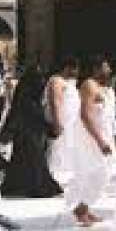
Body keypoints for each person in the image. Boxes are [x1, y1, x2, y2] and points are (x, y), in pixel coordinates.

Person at [66, 56, 116, 226]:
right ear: (96, 68)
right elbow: (85, 115)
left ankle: (84, 208)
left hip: (102, 133)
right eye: (106, 67)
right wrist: (100, 141)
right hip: (90, 137)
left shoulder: (101, 86)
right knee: (95, 173)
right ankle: (80, 210)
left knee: (102, 173)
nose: (109, 70)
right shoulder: (89, 85)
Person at [0, 65, 62, 198]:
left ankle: (23, 185)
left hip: (26, 134)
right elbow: (36, 116)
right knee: (34, 160)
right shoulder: (30, 99)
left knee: (25, 159)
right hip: (31, 134)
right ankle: (35, 186)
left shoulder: (24, 96)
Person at [43, 57, 80, 185]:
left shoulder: (67, 82)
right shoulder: (56, 80)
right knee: (56, 151)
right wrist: (57, 122)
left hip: (70, 124)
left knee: (66, 151)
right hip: (61, 123)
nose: (76, 72)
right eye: (75, 68)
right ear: (67, 68)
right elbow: (55, 102)